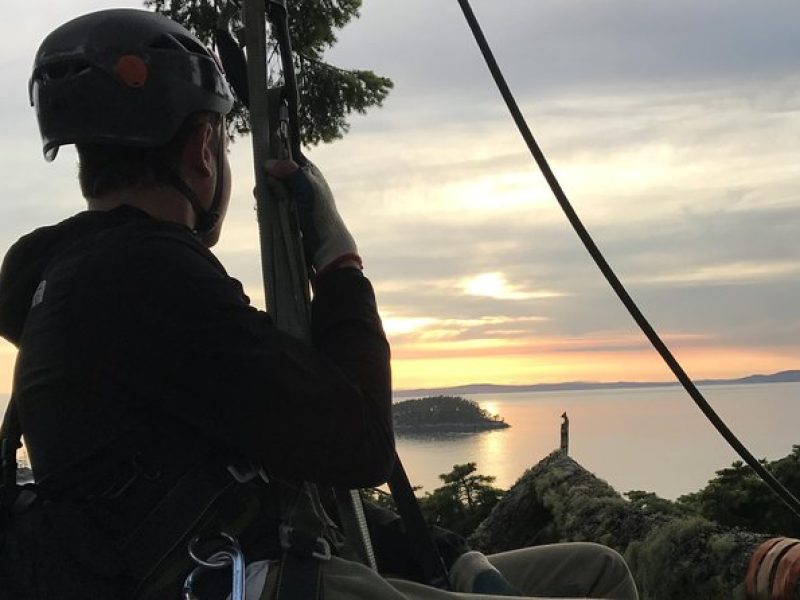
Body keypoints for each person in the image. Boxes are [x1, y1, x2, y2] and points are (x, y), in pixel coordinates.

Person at [0, 8, 638, 600]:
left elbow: (271, 480)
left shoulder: (71, 282)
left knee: (594, 570)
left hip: (237, 563)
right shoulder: (149, 276)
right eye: (221, 139)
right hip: (250, 581)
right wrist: (340, 263)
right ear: (200, 147)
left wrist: (451, 554)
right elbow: (358, 442)